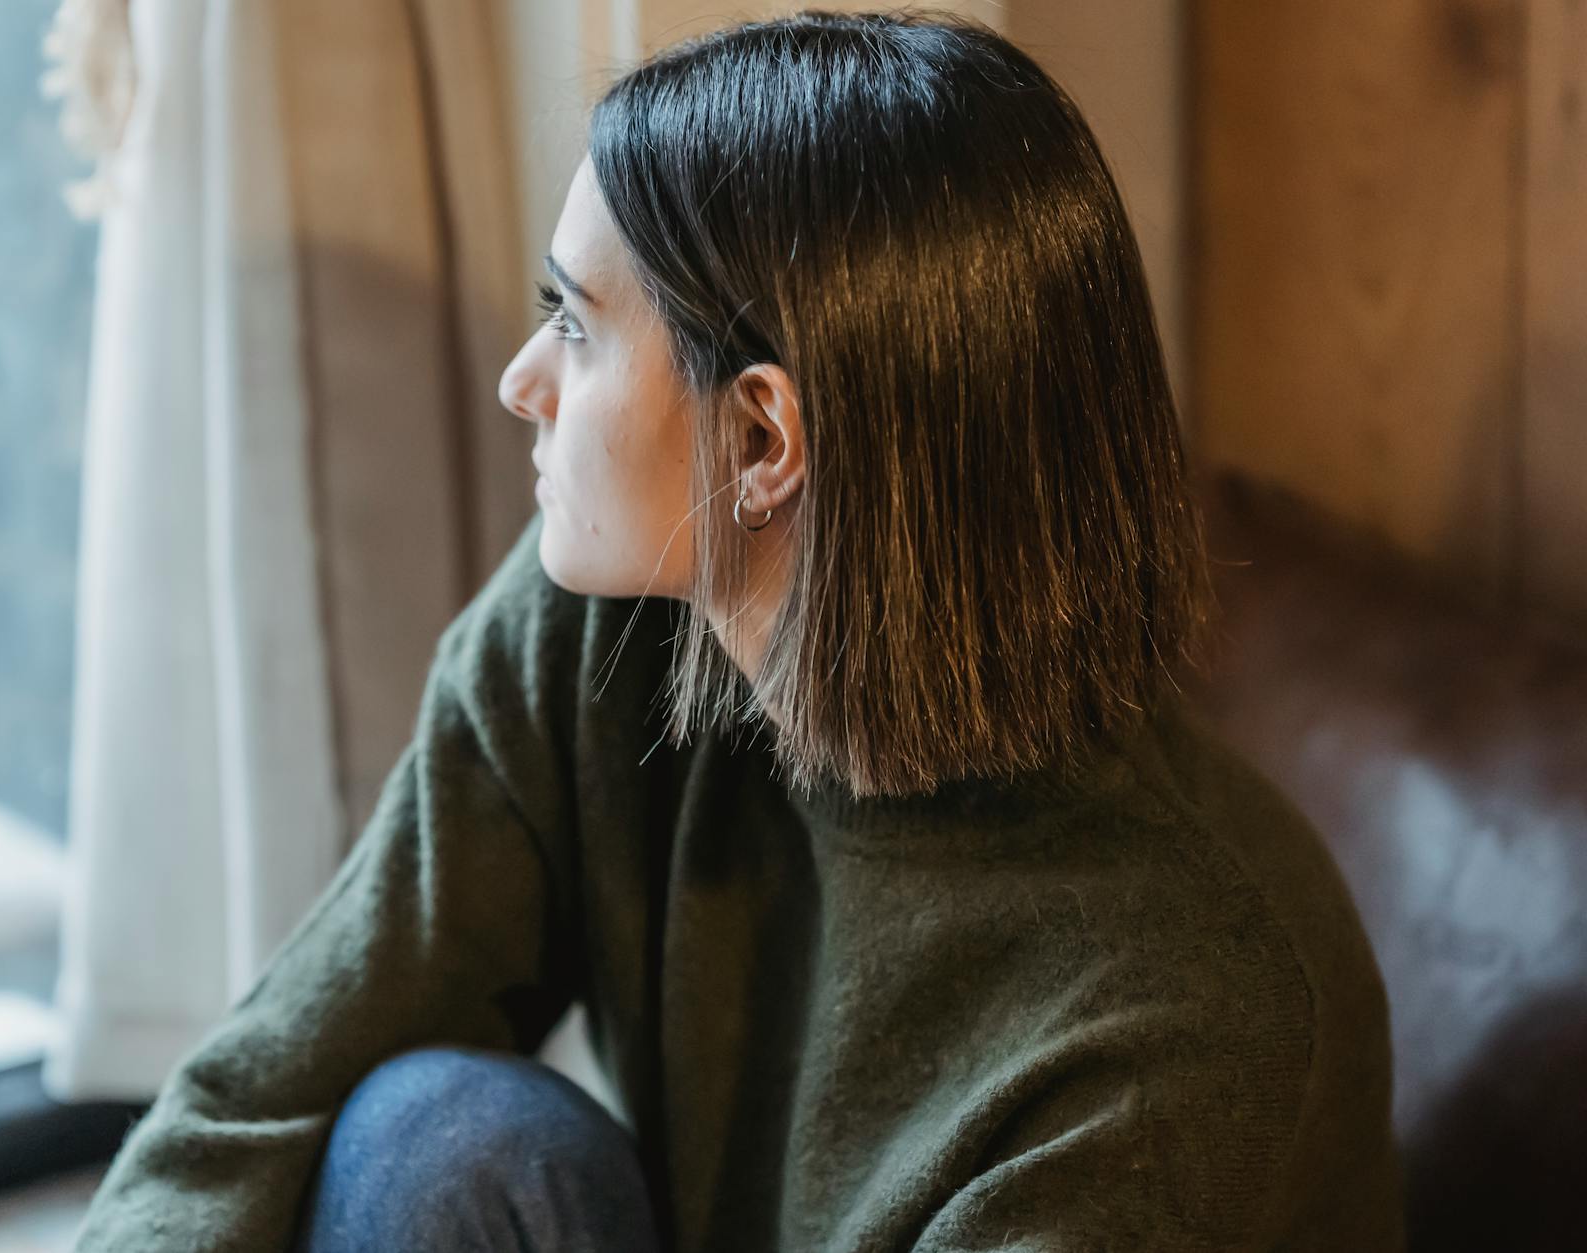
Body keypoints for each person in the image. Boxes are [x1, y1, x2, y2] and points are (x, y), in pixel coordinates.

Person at [71, 9, 1407, 1251]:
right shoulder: (601, 635)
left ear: (761, 438)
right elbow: (266, 1100)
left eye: (577, 330)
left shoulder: (1188, 1024)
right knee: (447, 1142)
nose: (518, 381)